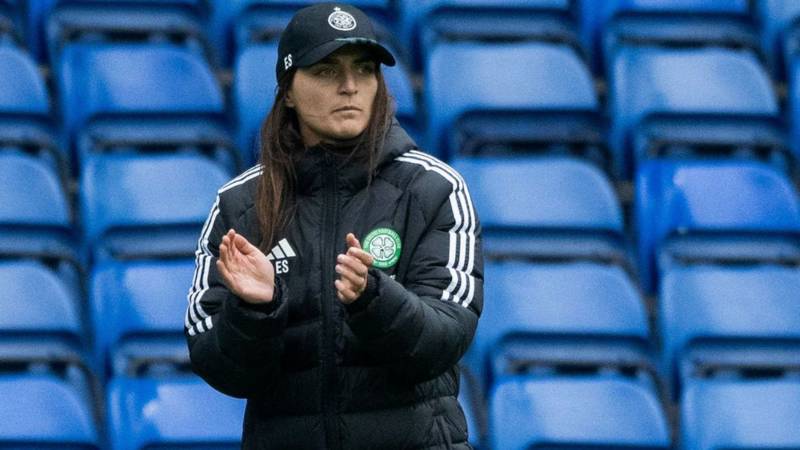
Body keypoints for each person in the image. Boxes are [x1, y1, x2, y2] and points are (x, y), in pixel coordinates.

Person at [184, 3, 483, 449]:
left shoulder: (433, 188)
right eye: (326, 71)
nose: (349, 86)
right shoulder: (240, 205)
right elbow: (220, 367)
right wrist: (254, 311)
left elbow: (444, 339)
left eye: (364, 69)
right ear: (288, 91)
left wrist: (373, 299)